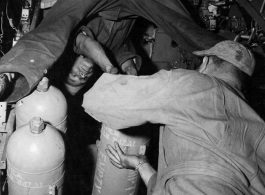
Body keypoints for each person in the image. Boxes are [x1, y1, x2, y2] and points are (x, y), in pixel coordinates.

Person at [82, 40, 265, 195]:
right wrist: (141, 164)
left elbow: (98, 100)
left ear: (206, 62)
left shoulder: (195, 83)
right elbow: (201, 177)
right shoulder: (259, 125)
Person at [0, 0, 225, 102]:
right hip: (133, 4)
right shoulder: (113, 50)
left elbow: (89, 46)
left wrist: (108, 69)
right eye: (82, 81)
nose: (81, 75)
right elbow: (127, 58)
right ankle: (225, 59)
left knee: (54, 27)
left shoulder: (73, 43)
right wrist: (130, 78)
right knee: (180, 23)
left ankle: (11, 73)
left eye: (73, 75)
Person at [64, 13, 140, 95]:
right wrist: (130, 71)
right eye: (84, 79)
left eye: (74, 75)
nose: (82, 76)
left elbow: (85, 43)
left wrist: (108, 67)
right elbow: (123, 55)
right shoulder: (108, 54)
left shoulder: (73, 40)